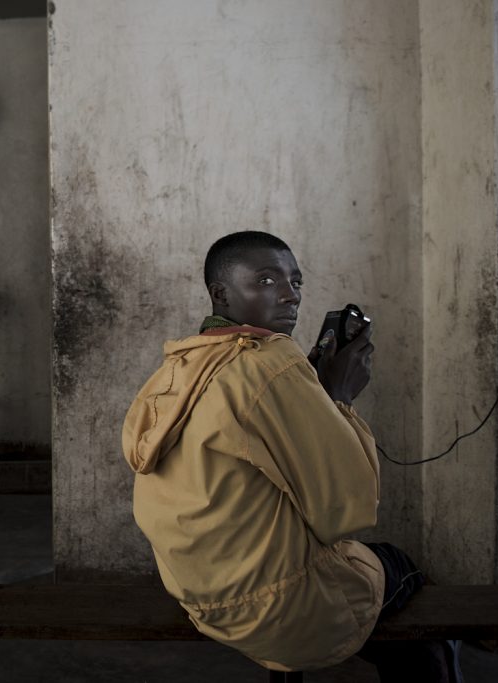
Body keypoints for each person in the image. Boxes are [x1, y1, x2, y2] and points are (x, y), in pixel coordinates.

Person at [121, 231, 461, 682]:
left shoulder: (184, 366)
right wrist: (337, 398)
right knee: (403, 569)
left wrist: (313, 394)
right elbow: (347, 514)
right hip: (281, 609)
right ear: (219, 294)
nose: (289, 294)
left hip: (202, 596)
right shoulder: (274, 363)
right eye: (265, 281)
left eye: (295, 281)